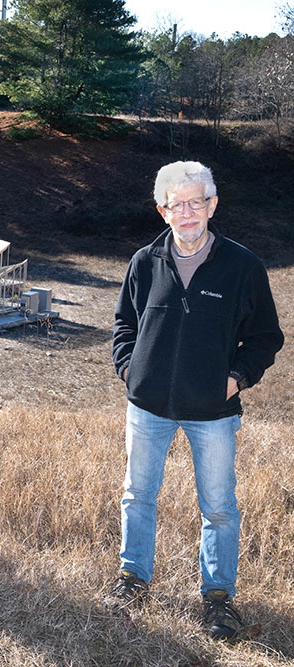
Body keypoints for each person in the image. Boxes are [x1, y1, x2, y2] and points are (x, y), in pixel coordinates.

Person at [106, 161, 284, 641]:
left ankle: (219, 600)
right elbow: (124, 325)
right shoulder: (144, 262)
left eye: (196, 201)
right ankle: (132, 580)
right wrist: (131, 370)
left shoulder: (242, 266)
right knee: (138, 496)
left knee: (219, 507)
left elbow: (267, 336)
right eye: (176, 203)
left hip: (213, 412)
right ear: (163, 211)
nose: (187, 212)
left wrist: (235, 380)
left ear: (212, 205)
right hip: (147, 407)